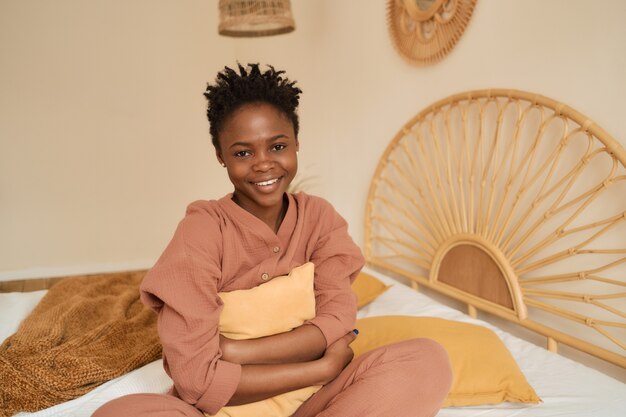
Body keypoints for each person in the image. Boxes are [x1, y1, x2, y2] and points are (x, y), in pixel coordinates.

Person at [93, 64, 451, 417]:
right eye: (243, 152)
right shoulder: (201, 232)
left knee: (427, 361)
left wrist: (235, 352)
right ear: (220, 155)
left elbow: (338, 318)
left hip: (316, 403)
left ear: (296, 142)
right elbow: (196, 382)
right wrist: (320, 367)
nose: (263, 164)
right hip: (217, 411)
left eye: (277, 146)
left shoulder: (319, 219)